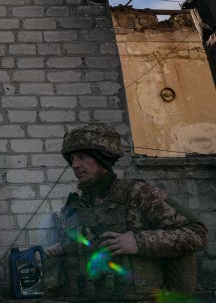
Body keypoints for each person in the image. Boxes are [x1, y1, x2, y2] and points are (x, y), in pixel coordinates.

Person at [44, 123, 207, 301]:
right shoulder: (76, 205)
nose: (75, 165)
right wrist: (65, 248)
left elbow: (197, 233)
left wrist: (139, 242)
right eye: (72, 159)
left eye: (82, 157)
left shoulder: (138, 194)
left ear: (102, 158)